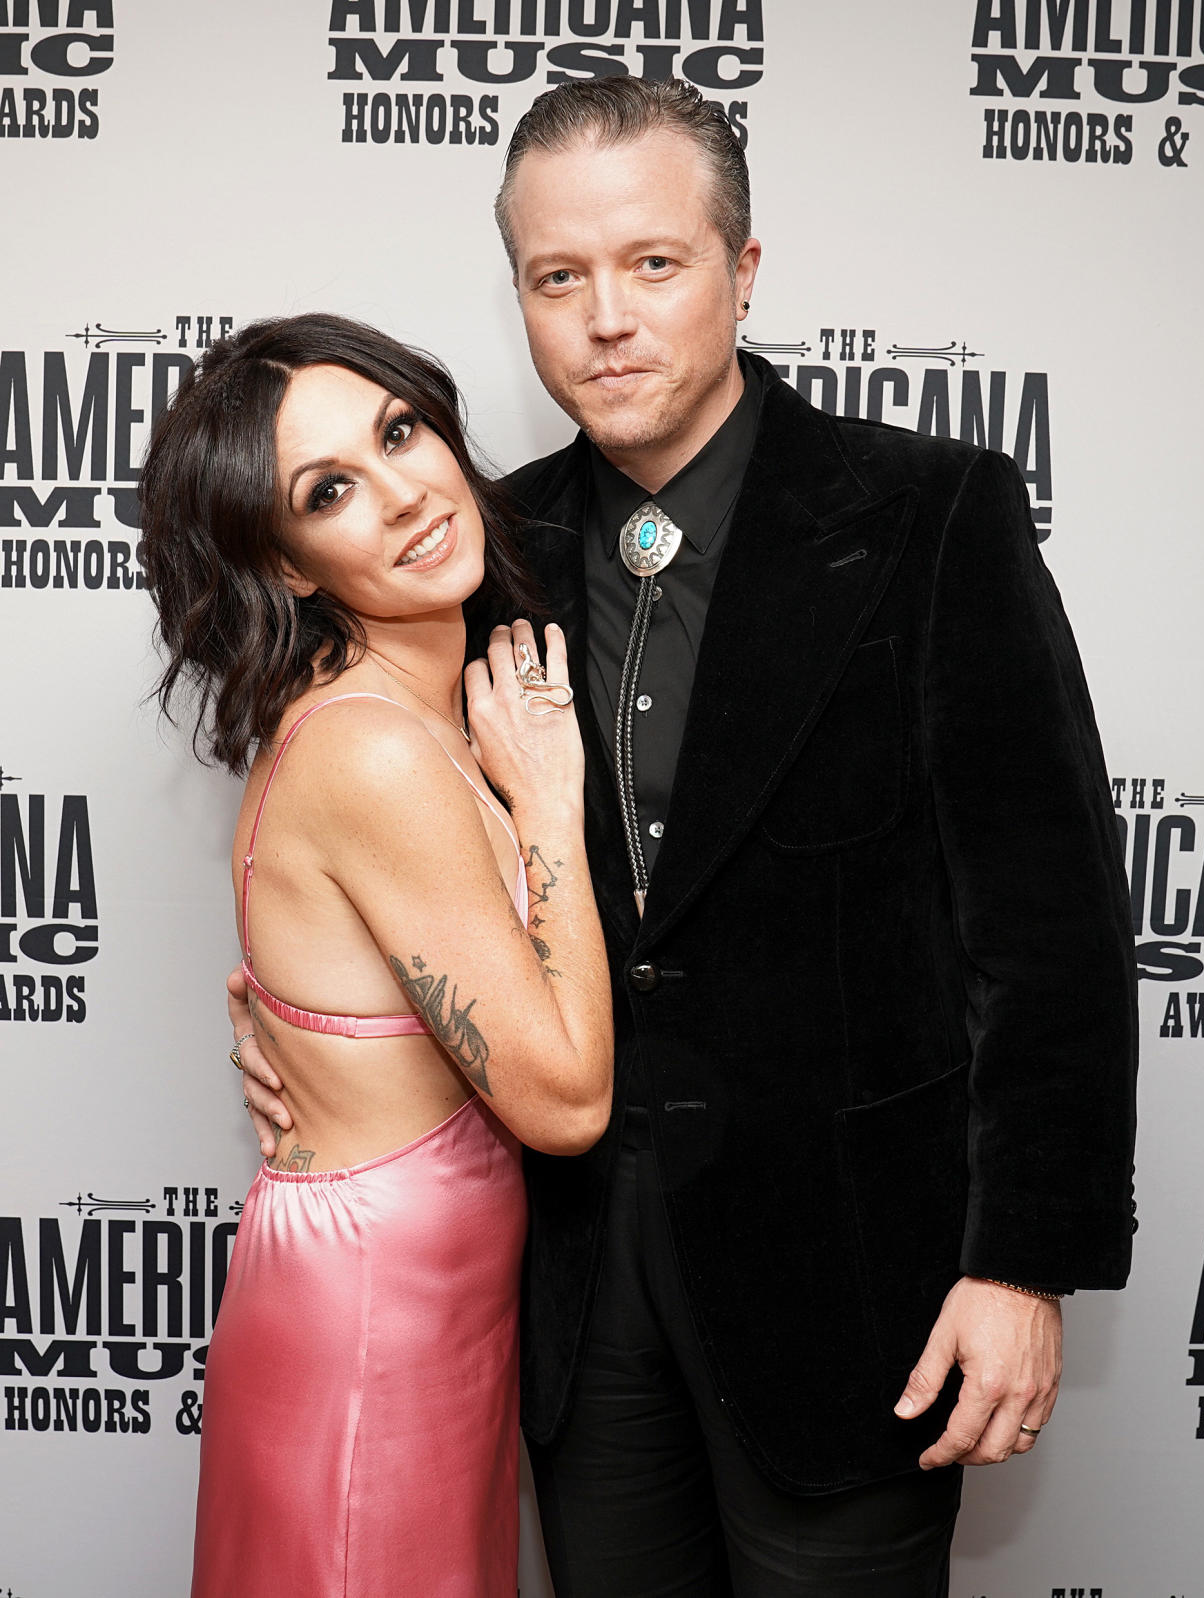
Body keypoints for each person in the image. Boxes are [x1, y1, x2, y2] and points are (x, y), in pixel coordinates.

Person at [235, 80, 1139, 1597]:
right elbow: (371, 846)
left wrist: (1020, 1261)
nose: (605, 319)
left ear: (743, 267)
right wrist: (292, 1027)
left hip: (854, 1286)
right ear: (517, 292)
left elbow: (1047, 932)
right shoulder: (474, 551)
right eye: (556, 276)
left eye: (653, 264)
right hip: (572, 1298)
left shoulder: (929, 514)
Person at [140, 312, 613, 1598]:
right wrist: (551, 802)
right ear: (286, 563)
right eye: (331, 489)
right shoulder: (377, 750)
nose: (405, 493)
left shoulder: (412, 714)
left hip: (414, 1307)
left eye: (401, 432)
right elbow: (565, 1100)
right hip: (373, 1325)